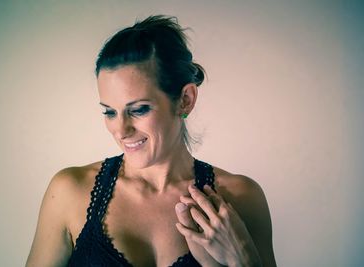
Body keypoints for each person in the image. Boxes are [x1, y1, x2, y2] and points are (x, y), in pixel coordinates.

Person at [26, 15, 276, 267]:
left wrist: (242, 260)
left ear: (185, 99)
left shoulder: (241, 198)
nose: (121, 130)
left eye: (139, 109)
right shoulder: (69, 192)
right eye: (109, 112)